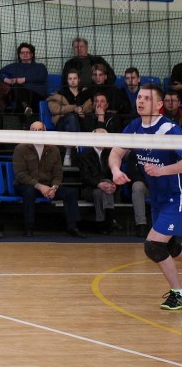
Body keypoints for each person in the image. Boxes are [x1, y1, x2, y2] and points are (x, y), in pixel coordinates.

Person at [109, 85, 182, 310]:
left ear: (159, 105)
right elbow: (116, 152)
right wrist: (115, 170)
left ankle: (178, 294)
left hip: (177, 197)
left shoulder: (170, 130)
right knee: (173, 249)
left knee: (153, 246)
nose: (140, 101)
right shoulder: (134, 127)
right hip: (158, 199)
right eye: (139, 97)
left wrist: (162, 170)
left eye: (147, 98)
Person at [12, 121, 84, 237]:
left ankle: (73, 227)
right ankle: (29, 227)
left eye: (40, 130)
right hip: (27, 184)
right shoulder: (21, 148)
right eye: (34, 130)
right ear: (29, 132)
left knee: (70, 192)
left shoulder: (53, 149)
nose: (37, 132)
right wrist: (39, 186)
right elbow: (20, 174)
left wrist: (54, 188)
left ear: (45, 132)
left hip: (48, 186)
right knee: (29, 191)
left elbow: (58, 174)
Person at [77, 128, 120, 234]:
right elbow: (85, 177)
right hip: (89, 188)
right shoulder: (84, 155)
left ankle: (100, 222)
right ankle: (110, 219)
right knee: (99, 191)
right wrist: (99, 184)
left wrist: (114, 184)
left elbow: (116, 173)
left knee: (101, 192)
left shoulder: (112, 154)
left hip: (109, 188)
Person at [0, 42, 48, 117]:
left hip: (36, 94)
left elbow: (42, 77)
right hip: (18, 92)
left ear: (32, 54)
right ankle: (26, 109)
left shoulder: (40, 67)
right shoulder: (13, 67)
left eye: (27, 52)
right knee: (17, 88)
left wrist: (24, 79)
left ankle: (25, 111)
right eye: (22, 53)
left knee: (18, 97)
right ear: (19, 55)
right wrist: (7, 80)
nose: (25, 54)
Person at [47, 69, 92, 133]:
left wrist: (81, 109)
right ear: (67, 81)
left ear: (79, 80)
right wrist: (73, 108)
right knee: (72, 117)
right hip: (63, 120)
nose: (72, 80)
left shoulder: (85, 94)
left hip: (81, 120)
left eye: (75, 78)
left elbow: (90, 107)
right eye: (70, 79)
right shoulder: (60, 94)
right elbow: (55, 109)